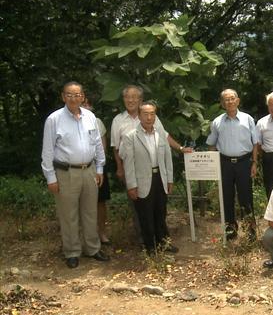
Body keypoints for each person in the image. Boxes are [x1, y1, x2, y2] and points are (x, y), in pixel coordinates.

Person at [41, 81, 110, 268]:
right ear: (63, 96)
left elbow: (97, 144)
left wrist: (100, 168)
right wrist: (51, 177)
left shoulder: (90, 116)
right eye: (69, 95)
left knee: (90, 212)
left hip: (89, 171)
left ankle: (93, 248)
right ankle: (72, 251)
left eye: (77, 95)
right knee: (68, 214)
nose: (73, 98)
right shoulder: (54, 119)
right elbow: (47, 151)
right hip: (66, 172)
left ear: (83, 97)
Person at [120, 102, 177, 254]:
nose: (149, 117)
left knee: (161, 211)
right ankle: (150, 246)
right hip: (142, 180)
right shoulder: (130, 137)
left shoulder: (160, 134)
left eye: (152, 113)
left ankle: (164, 242)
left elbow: (167, 159)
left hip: (160, 178)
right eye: (145, 114)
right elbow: (129, 163)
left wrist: (170, 179)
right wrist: (131, 185)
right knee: (145, 214)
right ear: (139, 116)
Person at [206, 89, 259, 241]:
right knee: (226, 197)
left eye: (232, 98)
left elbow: (255, 142)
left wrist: (254, 162)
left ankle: (250, 230)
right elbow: (212, 144)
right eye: (226, 100)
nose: (229, 101)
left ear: (238, 100)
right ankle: (230, 229)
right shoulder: (217, 122)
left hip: (244, 163)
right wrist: (213, 165)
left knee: (246, 197)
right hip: (225, 163)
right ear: (222, 104)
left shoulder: (247, 119)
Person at [82, 97, 111, 245]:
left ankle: (102, 232)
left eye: (88, 103)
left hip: (97, 167)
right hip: (79, 169)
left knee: (100, 202)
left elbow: (103, 148)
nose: (86, 106)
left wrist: (98, 166)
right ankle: (86, 235)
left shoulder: (97, 122)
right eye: (83, 104)